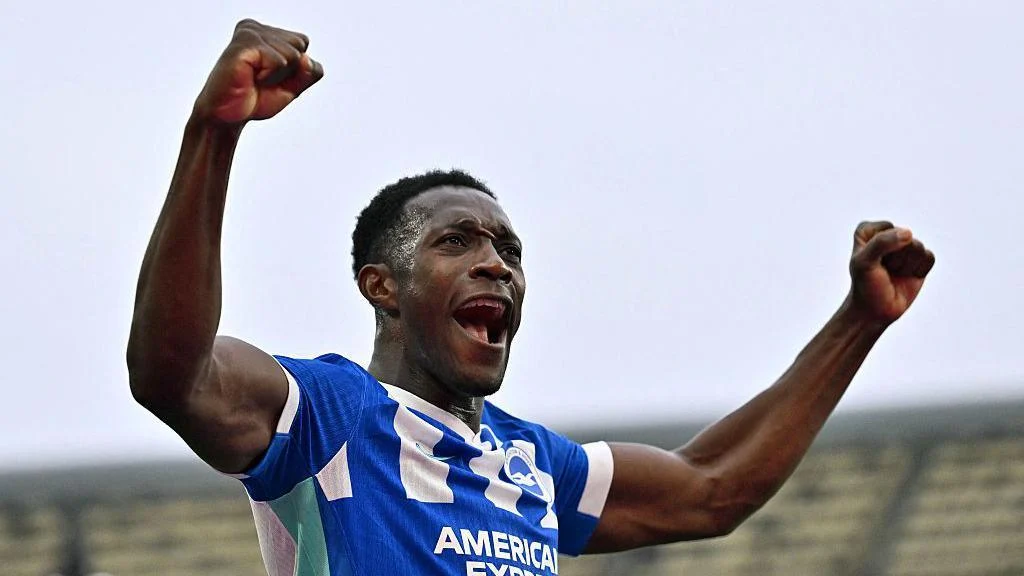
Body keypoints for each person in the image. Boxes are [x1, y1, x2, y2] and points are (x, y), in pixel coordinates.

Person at [127, 19, 936, 576]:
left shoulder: (535, 467)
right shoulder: (328, 414)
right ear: (384, 287)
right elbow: (175, 376)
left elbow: (713, 486)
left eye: (508, 250)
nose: (496, 266)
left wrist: (859, 322)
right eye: (456, 242)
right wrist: (215, 131)